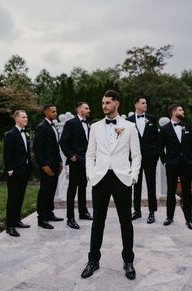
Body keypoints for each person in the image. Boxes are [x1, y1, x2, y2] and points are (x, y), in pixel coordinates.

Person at [81, 90, 141, 280]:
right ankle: (93, 260)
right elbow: (90, 154)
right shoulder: (96, 127)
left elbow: (137, 155)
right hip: (100, 179)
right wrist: (90, 174)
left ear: (117, 104)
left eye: (107, 102)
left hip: (122, 178)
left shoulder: (129, 127)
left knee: (126, 222)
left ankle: (128, 261)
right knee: (98, 221)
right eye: (102, 103)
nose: (104, 106)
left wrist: (133, 176)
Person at [158, 104, 192, 230]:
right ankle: (169, 217)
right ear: (174, 112)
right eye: (180, 110)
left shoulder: (187, 127)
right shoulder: (165, 129)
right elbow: (160, 148)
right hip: (172, 165)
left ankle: (189, 219)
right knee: (170, 191)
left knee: (187, 192)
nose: (183, 111)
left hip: (186, 164)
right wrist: (165, 162)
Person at [60, 102, 93, 230]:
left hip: (86, 161)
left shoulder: (88, 125)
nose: (88, 110)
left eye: (88, 108)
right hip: (75, 161)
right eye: (86, 108)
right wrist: (71, 156)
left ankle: (83, 212)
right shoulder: (71, 123)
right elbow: (63, 142)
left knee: (83, 187)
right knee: (72, 189)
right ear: (79, 110)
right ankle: (70, 218)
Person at [127, 96, 159, 223]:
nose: (146, 104)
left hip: (150, 157)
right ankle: (137, 211)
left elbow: (157, 138)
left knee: (151, 184)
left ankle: (152, 212)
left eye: (146, 102)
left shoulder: (152, 119)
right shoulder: (128, 121)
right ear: (136, 105)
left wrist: (155, 155)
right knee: (136, 185)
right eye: (143, 103)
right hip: (135, 158)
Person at [33, 105, 63, 229]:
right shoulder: (42, 127)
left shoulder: (53, 126)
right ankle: (42, 218)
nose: (55, 113)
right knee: (45, 192)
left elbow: (56, 147)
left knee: (51, 190)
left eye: (56, 111)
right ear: (46, 113)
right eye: (53, 111)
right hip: (47, 166)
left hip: (55, 164)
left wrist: (60, 162)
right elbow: (37, 149)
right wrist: (44, 165)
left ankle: (49, 213)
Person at [3, 110, 32, 237]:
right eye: (23, 117)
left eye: (26, 117)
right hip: (14, 173)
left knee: (20, 197)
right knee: (13, 199)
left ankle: (17, 221)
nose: (26, 119)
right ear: (17, 119)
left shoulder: (25, 133)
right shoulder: (10, 134)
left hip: (24, 171)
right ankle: (10, 226)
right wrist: (10, 170)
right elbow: (7, 154)